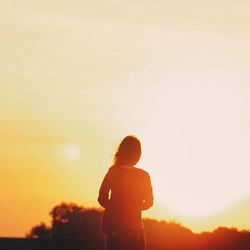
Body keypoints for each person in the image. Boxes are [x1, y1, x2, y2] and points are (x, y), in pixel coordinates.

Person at [98, 135, 153, 250]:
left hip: (114, 230)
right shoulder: (143, 175)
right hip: (136, 230)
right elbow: (149, 202)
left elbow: (102, 198)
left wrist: (115, 206)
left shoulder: (113, 172)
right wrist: (135, 206)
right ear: (138, 154)